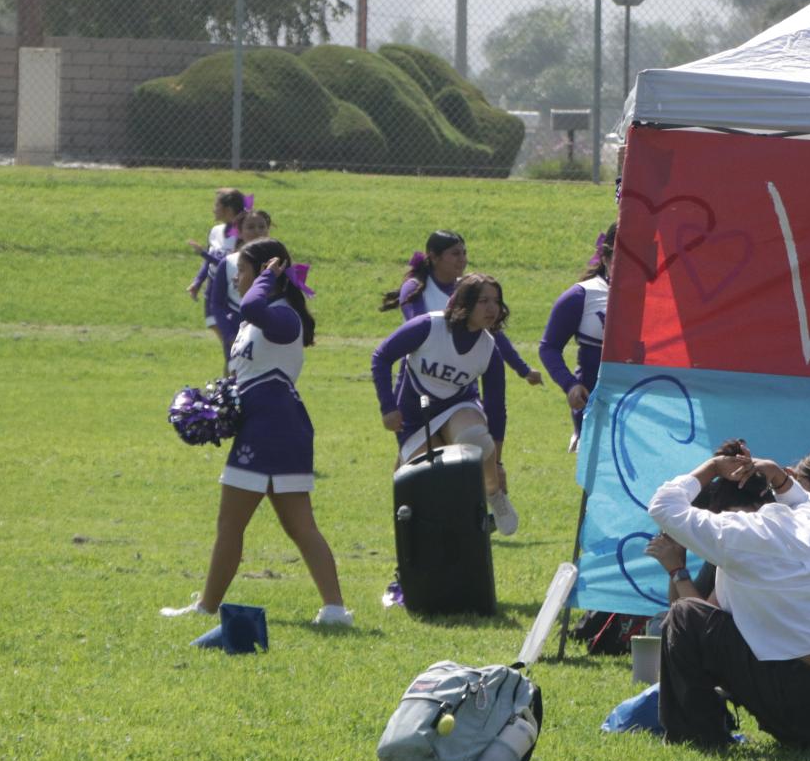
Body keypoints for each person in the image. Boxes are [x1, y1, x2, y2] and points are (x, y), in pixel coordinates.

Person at [163, 239, 350, 626]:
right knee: (298, 525)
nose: (239, 280)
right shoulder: (258, 319)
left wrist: (268, 274)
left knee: (236, 524)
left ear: (267, 272)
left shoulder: (283, 318)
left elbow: (250, 304)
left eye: (244, 272)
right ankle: (334, 610)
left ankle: (206, 608)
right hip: (274, 425)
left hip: (271, 429)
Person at [645, 441, 810, 751]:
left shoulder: (734, 534)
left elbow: (663, 506)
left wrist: (712, 468)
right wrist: (778, 477)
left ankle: (698, 736)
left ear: (725, 513)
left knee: (683, 616)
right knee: (693, 616)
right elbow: (801, 500)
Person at [371, 272, 526, 534]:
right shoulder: (428, 327)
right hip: (415, 415)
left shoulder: (489, 350)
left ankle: (493, 494)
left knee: (474, 435)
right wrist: (388, 407)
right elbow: (381, 356)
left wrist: (496, 465)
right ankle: (457, 531)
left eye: (496, 301)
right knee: (439, 476)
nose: (492, 309)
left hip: (458, 408)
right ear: (465, 303)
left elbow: (496, 411)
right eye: (483, 301)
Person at [539, 226, 613, 451]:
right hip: (595, 404)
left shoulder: (659, 296)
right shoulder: (582, 295)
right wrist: (570, 385)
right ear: (607, 257)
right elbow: (549, 347)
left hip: (645, 402)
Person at [196, 208, 273, 355]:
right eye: (250, 227)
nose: (257, 231)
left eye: (262, 227)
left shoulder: (278, 261)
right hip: (237, 327)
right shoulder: (229, 263)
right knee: (234, 373)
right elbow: (217, 304)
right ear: (240, 232)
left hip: (268, 331)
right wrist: (229, 335)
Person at [187, 188, 248, 359]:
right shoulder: (215, 231)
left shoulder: (240, 235)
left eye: (216, 205)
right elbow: (211, 260)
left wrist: (202, 253)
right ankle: (230, 377)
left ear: (228, 210)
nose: (213, 209)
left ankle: (233, 376)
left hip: (229, 291)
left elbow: (230, 265)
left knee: (229, 342)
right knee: (222, 336)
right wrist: (198, 282)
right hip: (211, 291)